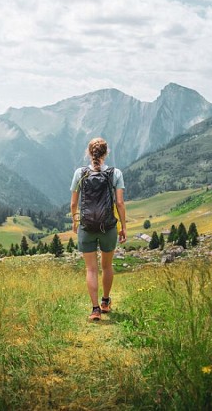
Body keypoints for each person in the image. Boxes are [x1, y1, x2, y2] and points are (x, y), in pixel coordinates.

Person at [69, 137, 127, 321]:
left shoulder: (80, 173)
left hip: (86, 227)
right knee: (107, 266)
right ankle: (105, 301)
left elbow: (73, 204)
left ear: (89, 152)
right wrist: (123, 227)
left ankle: (95, 310)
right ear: (106, 153)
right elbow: (119, 202)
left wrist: (75, 221)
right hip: (108, 227)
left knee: (91, 270)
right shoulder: (115, 173)